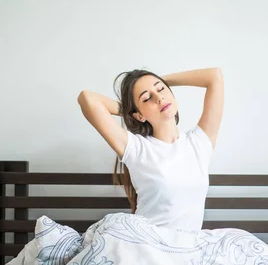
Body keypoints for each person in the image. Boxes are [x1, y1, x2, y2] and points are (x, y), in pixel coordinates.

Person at [77, 68, 224, 232]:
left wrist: (160, 80)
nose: (158, 97)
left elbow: (214, 76)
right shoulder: (137, 148)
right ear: (139, 115)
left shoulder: (199, 143)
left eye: (161, 89)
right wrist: (131, 112)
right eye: (147, 98)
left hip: (187, 250)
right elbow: (87, 98)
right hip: (148, 246)